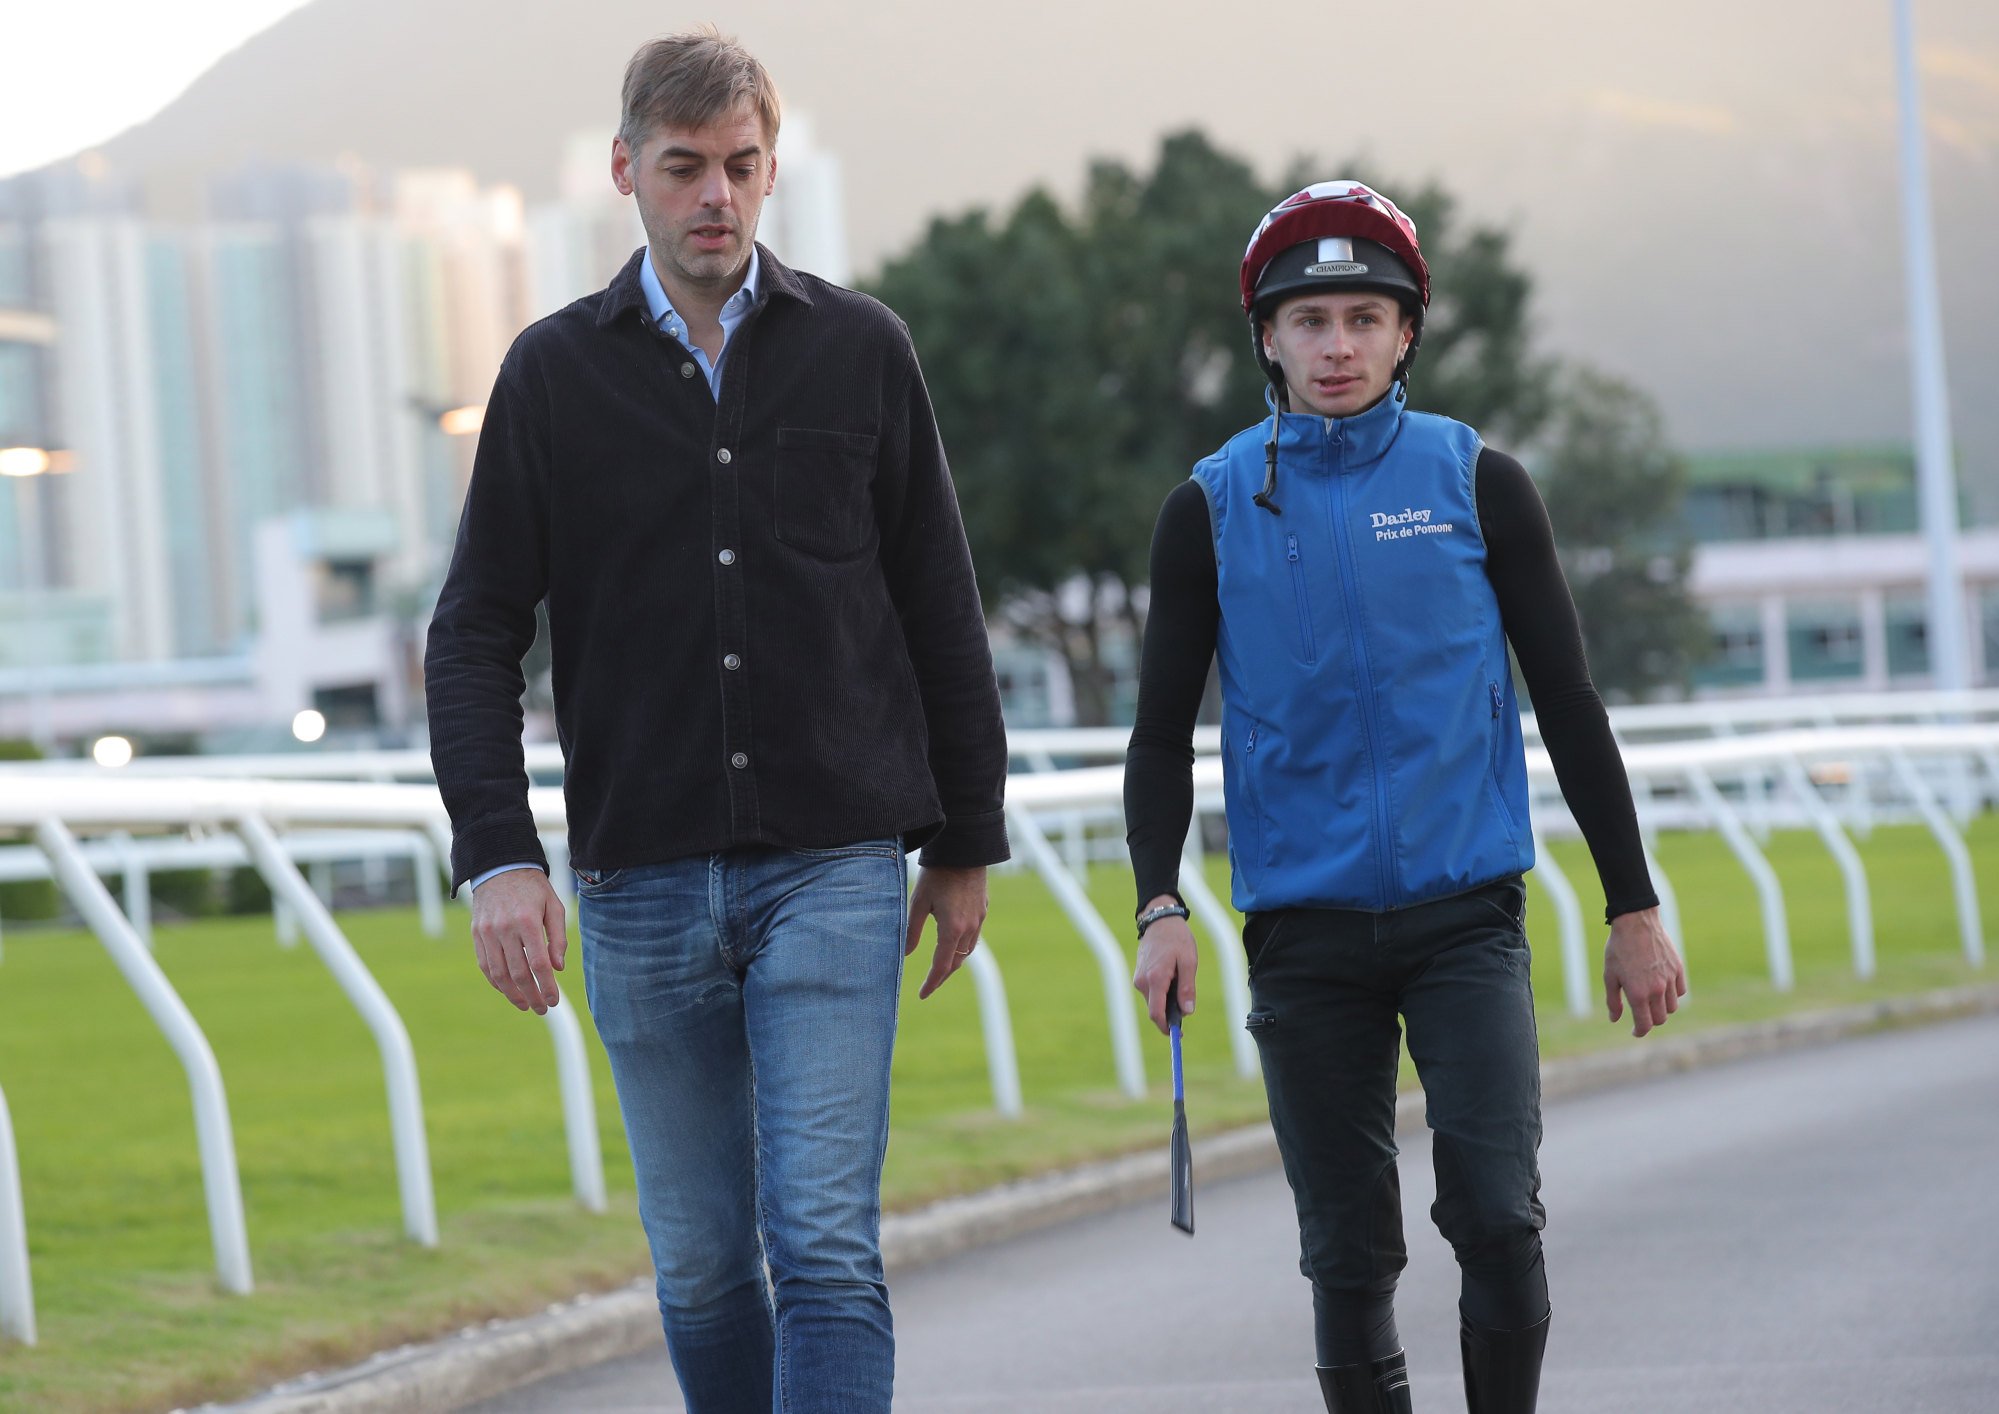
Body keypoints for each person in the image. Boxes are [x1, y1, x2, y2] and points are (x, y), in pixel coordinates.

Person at [423, 30, 1009, 1413]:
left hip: (832, 865)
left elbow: (939, 603)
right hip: (635, 883)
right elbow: (472, 633)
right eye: (683, 168)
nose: (716, 199)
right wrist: (498, 854)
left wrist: (963, 840)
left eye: (741, 167)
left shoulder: (863, 350)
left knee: (817, 1243)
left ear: (768, 167)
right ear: (624, 169)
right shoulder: (551, 374)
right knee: (696, 1265)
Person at [1123, 181, 1687, 1413]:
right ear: (1266, 338)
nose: (1337, 346)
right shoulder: (1206, 509)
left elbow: (1570, 704)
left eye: (1363, 319)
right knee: (1347, 1250)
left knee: (1494, 1209)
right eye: (1310, 320)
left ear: (1405, 333)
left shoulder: (1477, 482)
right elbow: (1161, 736)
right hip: (1304, 932)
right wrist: (1157, 903)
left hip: (1464, 915)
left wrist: (1630, 904)